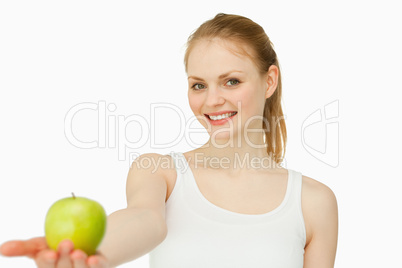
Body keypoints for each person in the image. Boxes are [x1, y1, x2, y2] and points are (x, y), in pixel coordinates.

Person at [0, 13, 338, 268]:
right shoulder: (160, 172)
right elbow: (146, 221)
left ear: (269, 81)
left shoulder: (313, 202)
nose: (212, 100)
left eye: (231, 81)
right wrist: (89, 252)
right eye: (199, 85)